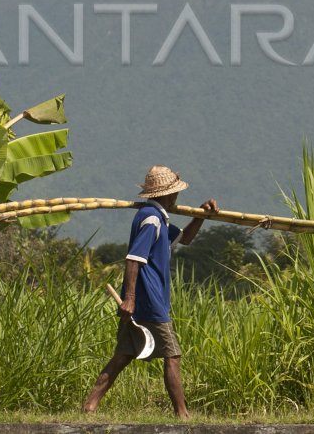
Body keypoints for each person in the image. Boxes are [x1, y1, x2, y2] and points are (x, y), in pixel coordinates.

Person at [82, 164, 219, 419]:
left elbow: (185, 238)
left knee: (123, 354)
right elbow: (133, 259)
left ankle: (90, 405)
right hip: (148, 300)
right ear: (167, 195)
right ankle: (182, 414)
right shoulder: (152, 219)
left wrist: (200, 215)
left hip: (144, 300)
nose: (177, 198)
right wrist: (130, 298)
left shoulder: (157, 218)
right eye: (175, 194)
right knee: (173, 355)